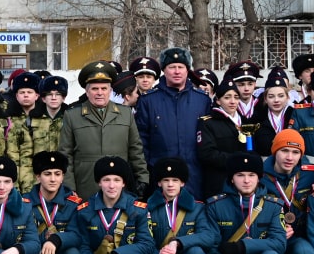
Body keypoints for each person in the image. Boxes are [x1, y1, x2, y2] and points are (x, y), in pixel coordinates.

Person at [62, 62, 150, 199]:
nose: (99, 93)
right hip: (85, 185)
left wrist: (142, 178)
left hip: (119, 184)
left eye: (104, 88)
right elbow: (65, 154)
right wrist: (69, 186)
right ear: (87, 91)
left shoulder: (125, 114)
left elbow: (136, 150)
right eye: (94, 89)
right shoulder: (72, 115)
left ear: (110, 91)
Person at [135, 48, 210, 197]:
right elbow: (141, 141)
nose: (177, 71)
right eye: (172, 67)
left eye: (181, 67)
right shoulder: (148, 101)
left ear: (188, 70)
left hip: (194, 177)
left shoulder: (202, 100)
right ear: (164, 70)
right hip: (160, 178)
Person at [197, 78, 248, 197]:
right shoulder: (208, 122)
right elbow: (207, 154)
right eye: (227, 97)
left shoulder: (245, 122)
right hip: (218, 183)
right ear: (218, 101)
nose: (232, 101)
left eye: (236, 97)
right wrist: (235, 160)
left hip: (243, 184)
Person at [249, 69, 295, 157]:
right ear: (265, 99)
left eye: (281, 96)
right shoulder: (256, 118)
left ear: (288, 97)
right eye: (271, 96)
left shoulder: (295, 115)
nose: (276, 100)